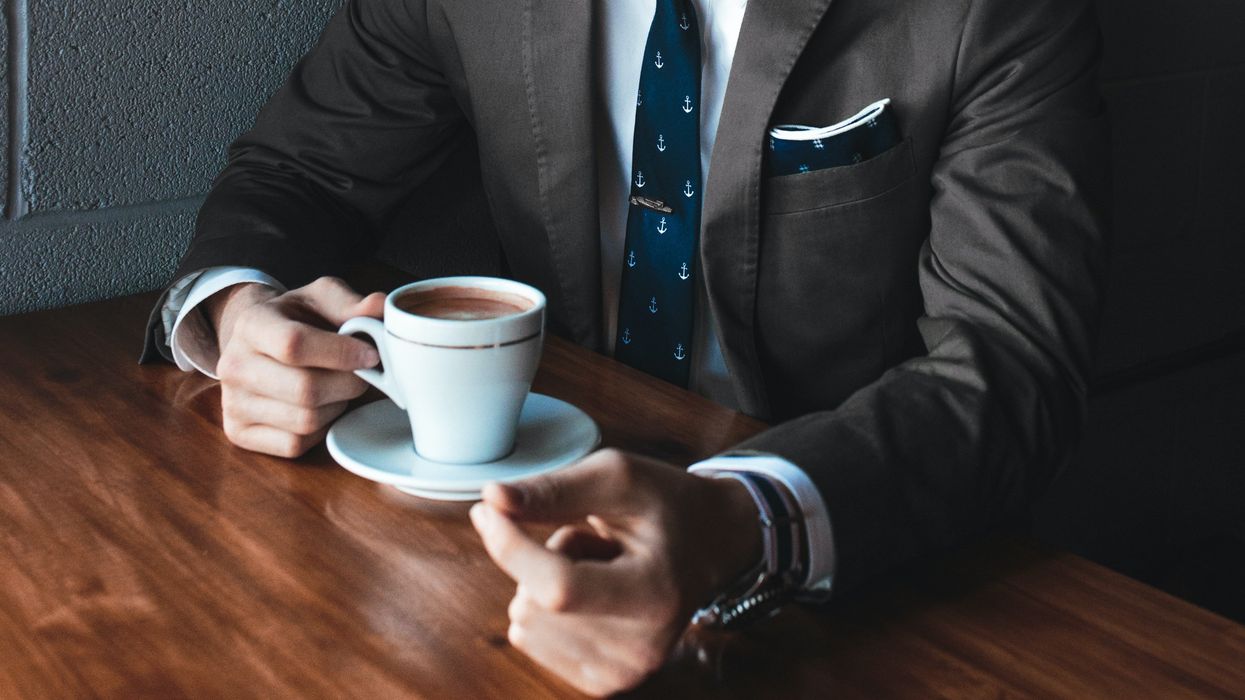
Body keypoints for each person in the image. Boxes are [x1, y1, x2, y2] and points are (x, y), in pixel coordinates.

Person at [141, 0, 1109, 694]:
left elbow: (1010, 363)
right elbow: (297, 169)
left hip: (854, 583)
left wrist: (745, 520)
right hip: (497, 548)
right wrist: (234, 312)